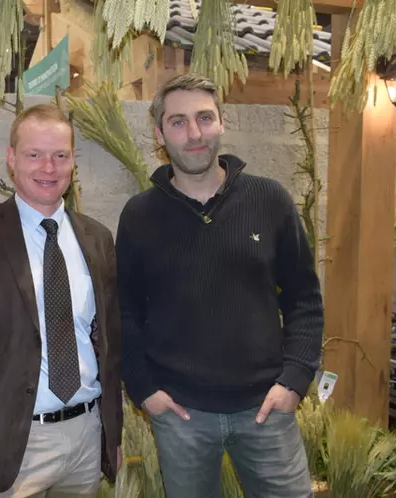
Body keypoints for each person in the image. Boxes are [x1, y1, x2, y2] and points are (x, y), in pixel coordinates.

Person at [116, 74, 324, 498]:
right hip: (181, 416)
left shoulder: (270, 200)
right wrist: (144, 390)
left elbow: (304, 297)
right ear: (159, 133)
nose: (194, 133)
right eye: (177, 121)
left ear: (221, 123)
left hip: (268, 408)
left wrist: (294, 379)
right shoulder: (139, 216)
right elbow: (124, 311)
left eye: (204, 117)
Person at [0, 104, 122, 498]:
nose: (48, 168)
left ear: (72, 162)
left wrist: (112, 434)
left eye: (60, 155)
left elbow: (109, 343)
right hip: (7, 442)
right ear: (11, 158)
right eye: (34, 154)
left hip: (85, 438)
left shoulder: (98, 238)